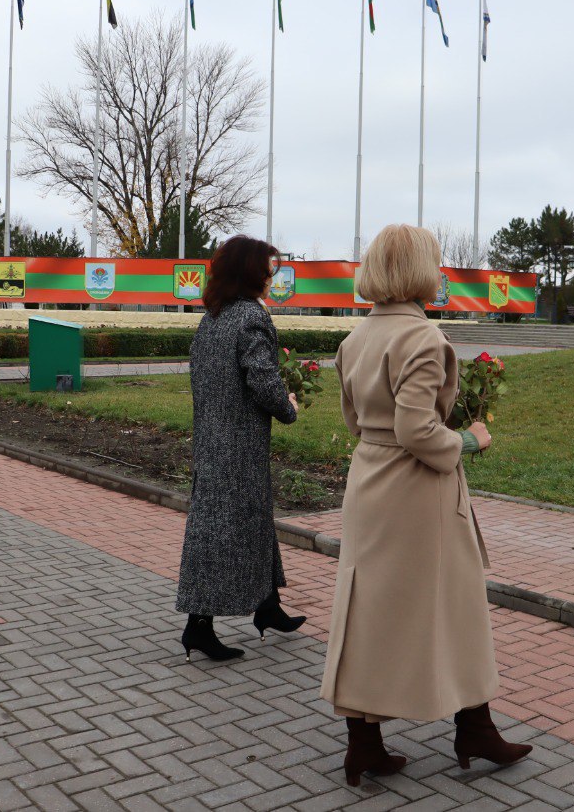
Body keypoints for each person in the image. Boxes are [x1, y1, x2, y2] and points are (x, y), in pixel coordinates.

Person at [320, 224, 532, 786]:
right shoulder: (423, 338)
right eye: (435, 264)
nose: (439, 274)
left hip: (369, 480)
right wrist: (469, 440)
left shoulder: (355, 338)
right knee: (458, 605)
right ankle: (474, 728)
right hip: (417, 491)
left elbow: (355, 421)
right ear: (419, 271)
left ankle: (364, 743)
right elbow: (417, 431)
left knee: (367, 608)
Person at [175, 235, 307, 661]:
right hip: (240, 448)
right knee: (222, 533)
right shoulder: (251, 317)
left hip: (212, 442)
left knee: (247, 524)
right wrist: (288, 407)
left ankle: (267, 607)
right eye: (269, 271)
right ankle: (199, 626)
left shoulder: (212, 317)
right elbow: (263, 379)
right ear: (251, 273)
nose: (272, 278)